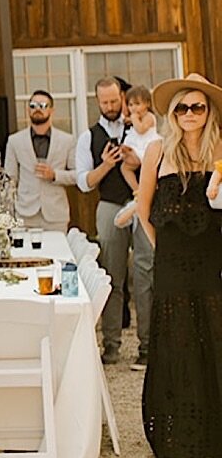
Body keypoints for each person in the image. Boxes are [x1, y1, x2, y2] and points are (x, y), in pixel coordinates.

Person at [136, 74, 222, 458]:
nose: (189, 114)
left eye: (197, 107)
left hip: (212, 259)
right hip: (172, 261)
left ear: (208, 111)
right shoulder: (157, 150)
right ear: (173, 113)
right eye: (182, 107)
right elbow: (143, 209)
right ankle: (182, 436)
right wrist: (162, 249)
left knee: (214, 334)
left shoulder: (220, 147)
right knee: (178, 339)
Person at [75, 76, 131, 365]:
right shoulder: (88, 136)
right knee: (112, 277)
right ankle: (112, 345)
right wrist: (107, 165)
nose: (110, 106)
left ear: (122, 96)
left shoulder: (139, 125)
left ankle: (148, 345)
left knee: (147, 274)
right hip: (109, 205)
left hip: (141, 202)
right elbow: (84, 183)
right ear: (97, 101)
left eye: (114, 100)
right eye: (104, 102)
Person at [116, 85, 160, 370]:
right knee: (143, 274)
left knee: (150, 274)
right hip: (140, 202)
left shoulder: (151, 128)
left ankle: (156, 346)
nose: (133, 108)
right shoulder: (129, 128)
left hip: (152, 187)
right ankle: (147, 345)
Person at [3, 90, 78, 231]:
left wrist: (55, 175)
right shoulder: (14, 141)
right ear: (27, 110)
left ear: (52, 110)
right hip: (24, 214)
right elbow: (9, 179)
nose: (37, 109)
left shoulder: (67, 140)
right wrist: (10, 212)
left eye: (43, 105)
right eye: (33, 105)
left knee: (56, 253)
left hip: (56, 214)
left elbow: (77, 175)